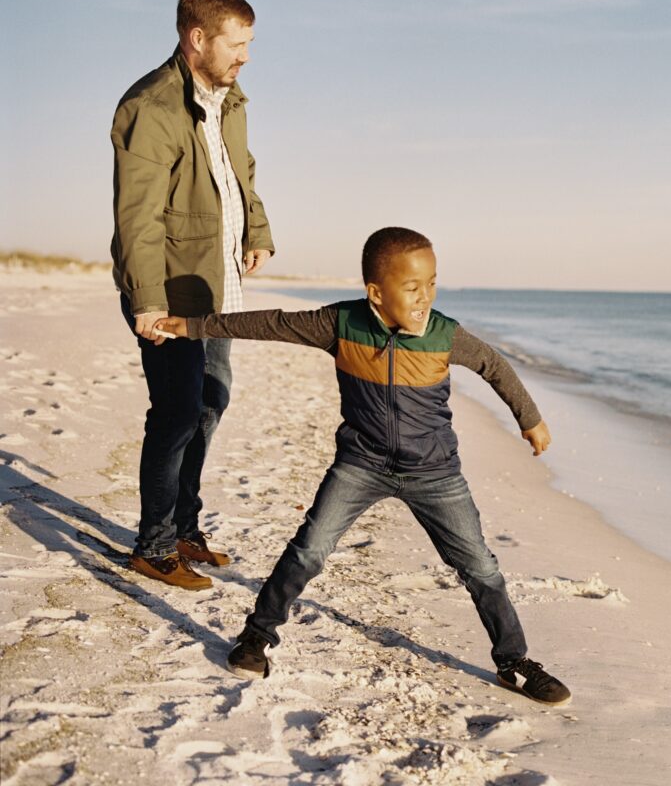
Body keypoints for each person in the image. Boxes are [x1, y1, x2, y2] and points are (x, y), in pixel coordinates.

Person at [157, 227, 571, 704]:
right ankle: (256, 637)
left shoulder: (444, 334)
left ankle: (514, 662)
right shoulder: (341, 325)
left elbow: (494, 365)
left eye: (432, 284)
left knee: (480, 567)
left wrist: (531, 419)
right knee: (309, 549)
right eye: (412, 287)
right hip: (361, 464)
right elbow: (271, 323)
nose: (425, 296)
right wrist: (193, 327)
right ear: (376, 292)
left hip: (435, 473)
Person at [111, 0, 275, 590]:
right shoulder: (150, 108)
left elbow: (242, 170)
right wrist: (148, 302)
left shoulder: (229, 98)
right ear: (196, 37)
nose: (246, 56)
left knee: (210, 404)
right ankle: (153, 548)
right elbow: (138, 217)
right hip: (173, 289)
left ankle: (185, 528)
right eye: (237, 43)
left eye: (250, 43)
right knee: (177, 413)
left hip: (218, 282)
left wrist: (255, 229)